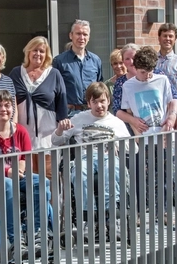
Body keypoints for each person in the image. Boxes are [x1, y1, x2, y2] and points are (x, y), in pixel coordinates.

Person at [0, 90, 54, 264]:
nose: (3, 109)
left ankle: (38, 234)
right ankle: (14, 239)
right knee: (8, 185)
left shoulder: (21, 132)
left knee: (42, 182)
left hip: (17, 175)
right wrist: (6, 171)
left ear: (13, 109)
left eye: (7, 105)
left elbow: (25, 157)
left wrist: (21, 167)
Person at [53, 82, 130, 238]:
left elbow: (130, 148)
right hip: (85, 157)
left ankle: (113, 217)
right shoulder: (79, 118)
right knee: (80, 171)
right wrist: (60, 129)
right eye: (95, 102)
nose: (99, 105)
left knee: (112, 169)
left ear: (108, 101)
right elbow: (56, 140)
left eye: (102, 101)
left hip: (108, 157)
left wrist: (119, 146)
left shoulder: (116, 123)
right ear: (88, 103)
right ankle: (89, 219)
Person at [117, 47, 177, 226]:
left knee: (164, 175)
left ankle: (165, 211)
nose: (147, 76)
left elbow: (170, 102)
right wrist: (135, 129)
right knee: (140, 176)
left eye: (150, 72)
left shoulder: (162, 80)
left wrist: (170, 120)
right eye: (143, 72)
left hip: (161, 134)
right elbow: (126, 110)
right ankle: (140, 212)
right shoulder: (128, 85)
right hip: (142, 136)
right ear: (136, 68)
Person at [9, 36, 67, 179]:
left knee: (49, 178)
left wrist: (61, 132)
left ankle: (52, 203)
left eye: (42, 51)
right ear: (28, 51)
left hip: (47, 138)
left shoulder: (54, 74)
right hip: (23, 137)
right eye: (35, 50)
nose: (38, 54)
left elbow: (62, 103)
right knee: (26, 179)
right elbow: (8, 102)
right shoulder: (16, 73)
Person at [52, 19, 103, 116]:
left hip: (92, 113)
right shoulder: (59, 61)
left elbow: (99, 88)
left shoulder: (96, 61)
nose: (82, 37)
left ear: (89, 37)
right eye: (78, 33)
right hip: (70, 114)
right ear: (71, 35)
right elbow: (54, 91)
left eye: (85, 34)